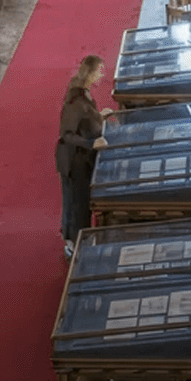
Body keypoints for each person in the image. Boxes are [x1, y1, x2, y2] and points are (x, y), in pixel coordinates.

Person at [56, 54, 113, 258]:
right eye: (100, 71)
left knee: (82, 200)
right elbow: (67, 134)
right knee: (75, 201)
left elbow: (86, 119)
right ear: (90, 73)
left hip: (83, 157)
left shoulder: (84, 94)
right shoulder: (75, 101)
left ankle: (82, 237)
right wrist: (91, 143)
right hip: (73, 161)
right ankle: (74, 243)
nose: (102, 75)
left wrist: (100, 117)